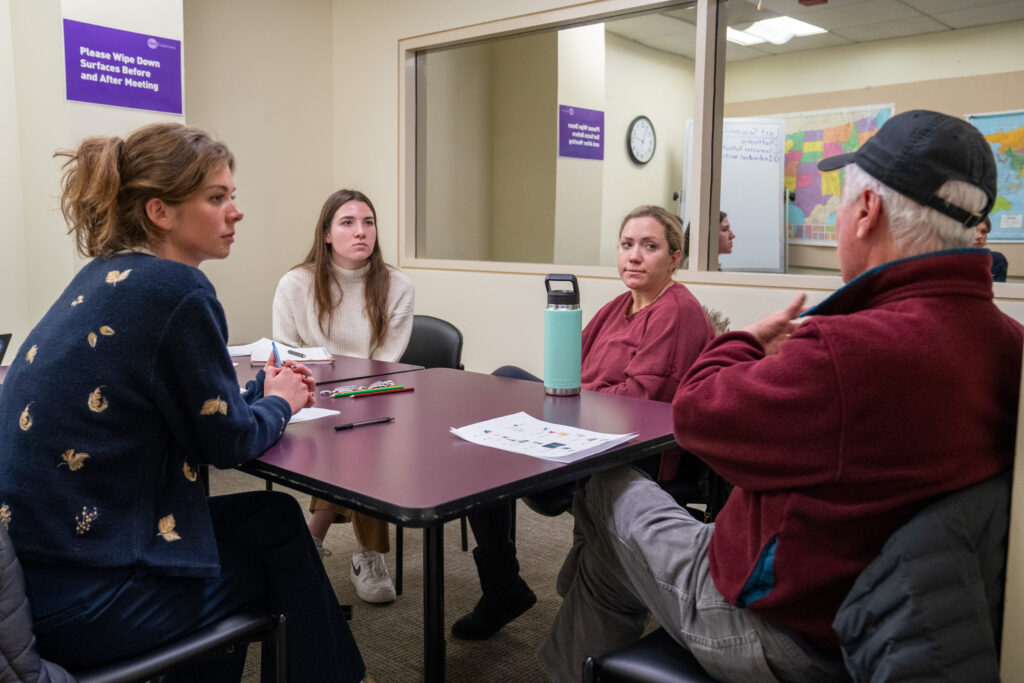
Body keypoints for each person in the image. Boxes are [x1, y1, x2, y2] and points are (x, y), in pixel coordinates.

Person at [539, 110, 1023, 682]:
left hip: (771, 624)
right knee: (609, 558)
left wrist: (745, 338)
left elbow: (695, 414)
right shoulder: (1005, 340)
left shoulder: (849, 348)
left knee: (603, 482)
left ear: (866, 213)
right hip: (881, 612)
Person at [0, 123, 364, 681]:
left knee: (273, 516)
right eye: (217, 198)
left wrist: (253, 397)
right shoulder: (178, 290)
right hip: (82, 601)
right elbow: (227, 443)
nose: (235, 212)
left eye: (232, 197)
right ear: (159, 213)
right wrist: (283, 403)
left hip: (37, 573)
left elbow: (178, 409)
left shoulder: (104, 277)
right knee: (271, 569)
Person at [452, 205, 714, 640]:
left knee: (495, 446)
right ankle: (503, 585)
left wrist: (561, 406)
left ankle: (501, 586)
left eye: (649, 246)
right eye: (627, 245)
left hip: (632, 450)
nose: (634, 256)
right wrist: (554, 404)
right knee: (504, 383)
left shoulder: (677, 310)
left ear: (674, 257)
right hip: (582, 423)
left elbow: (639, 402)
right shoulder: (619, 306)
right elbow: (567, 371)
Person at [273, 188, 414, 604]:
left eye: (368, 222)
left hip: (376, 395)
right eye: (348, 223)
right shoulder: (295, 283)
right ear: (327, 233)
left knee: (362, 438)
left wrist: (354, 391)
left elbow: (385, 361)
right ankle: (365, 552)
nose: (361, 232)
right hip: (311, 396)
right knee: (357, 441)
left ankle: (316, 537)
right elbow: (287, 350)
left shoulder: (398, 285)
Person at [972, 215, 1008, 282]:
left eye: (983, 232)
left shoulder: (996, 260)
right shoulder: (950, 258)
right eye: (973, 231)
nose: (980, 236)